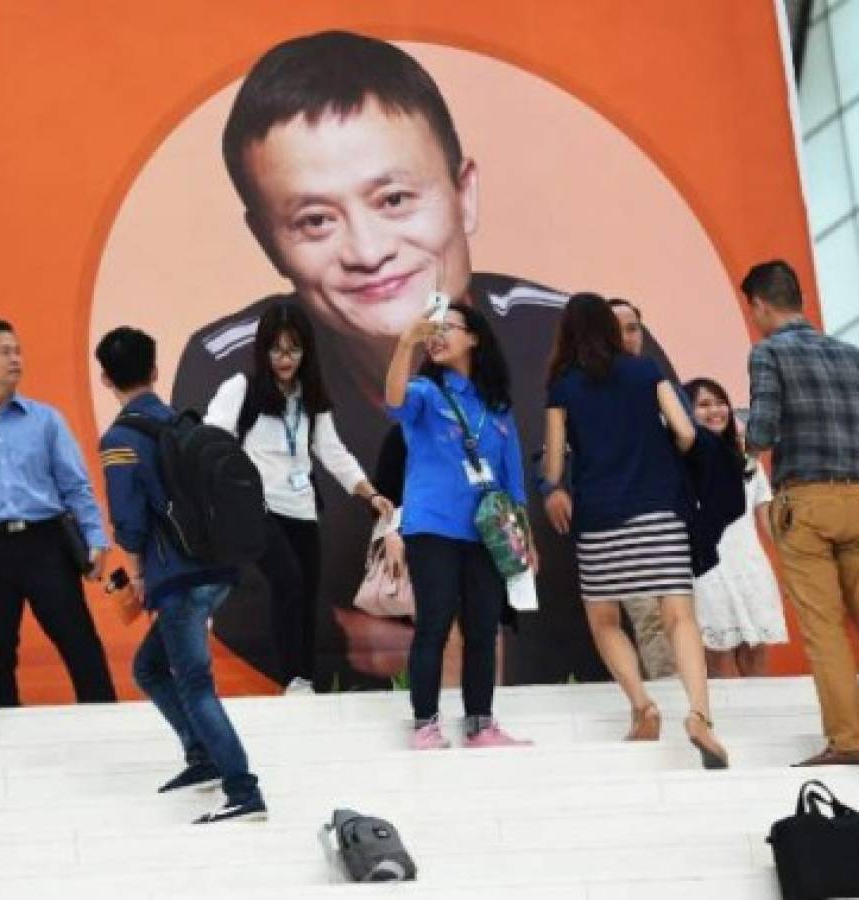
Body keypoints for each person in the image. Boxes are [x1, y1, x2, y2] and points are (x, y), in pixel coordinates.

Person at [172, 30, 679, 688]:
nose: (367, 249)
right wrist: (344, 646)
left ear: (464, 194)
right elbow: (227, 580)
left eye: (394, 200)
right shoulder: (233, 368)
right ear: (267, 239)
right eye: (315, 220)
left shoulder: (578, 337)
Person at [542, 294, 728, 769]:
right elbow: (687, 433)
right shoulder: (645, 372)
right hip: (658, 510)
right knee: (679, 617)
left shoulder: (563, 387)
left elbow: (556, 463)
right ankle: (701, 716)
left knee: (605, 621)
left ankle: (642, 706)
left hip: (600, 519)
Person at [95, 327, 266, 822]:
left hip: (177, 577)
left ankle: (243, 788)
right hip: (218, 568)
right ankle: (203, 757)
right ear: (154, 370)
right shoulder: (184, 424)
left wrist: (136, 553)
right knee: (149, 668)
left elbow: (128, 525)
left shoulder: (121, 439)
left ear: (106, 378)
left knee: (194, 682)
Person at [204, 302, 392, 694]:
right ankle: (292, 677)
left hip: (303, 508)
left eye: (293, 349)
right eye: (276, 349)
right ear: (263, 350)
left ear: (306, 350)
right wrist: (233, 490)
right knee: (287, 581)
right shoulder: (241, 388)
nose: (285, 359)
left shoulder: (311, 396)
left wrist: (370, 494)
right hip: (259, 508)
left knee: (307, 595)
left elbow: (332, 451)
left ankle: (304, 678)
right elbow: (212, 440)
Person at [0, 319, 116, 707]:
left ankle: (106, 719)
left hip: (45, 543)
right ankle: (5, 741)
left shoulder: (45, 420)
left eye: (18, 351)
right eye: (4, 352)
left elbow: (76, 485)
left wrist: (95, 537)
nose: (16, 360)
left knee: (79, 641)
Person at [385, 304, 532, 749]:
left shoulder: (497, 407)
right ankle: (425, 724)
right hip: (432, 525)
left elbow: (514, 478)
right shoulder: (426, 392)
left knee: (483, 627)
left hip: (488, 532)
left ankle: (480, 724)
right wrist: (405, 343)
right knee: (434, 621)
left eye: (448, 328)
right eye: (433, 330)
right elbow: (393, 401)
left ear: (475, 338)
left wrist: (525, 536)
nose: (438, 335)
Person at [742, 259, 859, 767]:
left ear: (760, 305)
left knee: (825, 629)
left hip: (806, 504)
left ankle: (850, 741)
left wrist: (744, 440)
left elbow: (763, 433)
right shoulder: (850, 355)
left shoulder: (768, 353)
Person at [683, 377, 787, 677]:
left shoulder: (747, 462)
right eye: (703, 404)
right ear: (685, 412)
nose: (715, 410)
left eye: (720, 402)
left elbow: (767, 519)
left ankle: (760, 723)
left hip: (751, 568)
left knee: (756, 652)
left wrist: (790, 563)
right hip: (706, 572)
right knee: (717, 659)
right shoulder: (680, 464)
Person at [599, 298, 677, 680]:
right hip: (621, 519)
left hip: (671, 518)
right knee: (649, 618)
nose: (626, 338)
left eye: (632, 329)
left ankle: (700, 702)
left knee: (690, 617)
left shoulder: (658, 381)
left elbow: (687, 440)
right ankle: (669, 699)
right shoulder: (587, 389)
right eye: (615, 331)